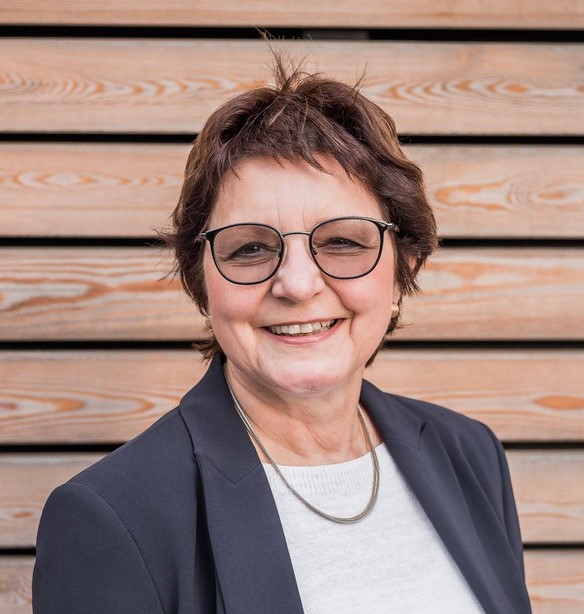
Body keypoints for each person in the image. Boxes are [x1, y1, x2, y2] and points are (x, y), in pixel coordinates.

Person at [33, 55, 532, 614]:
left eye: (343, 241)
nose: (296, 284)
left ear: (403, 269)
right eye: (250, 248)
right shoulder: (111, 518)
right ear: (202, 283)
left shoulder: (470, 455)